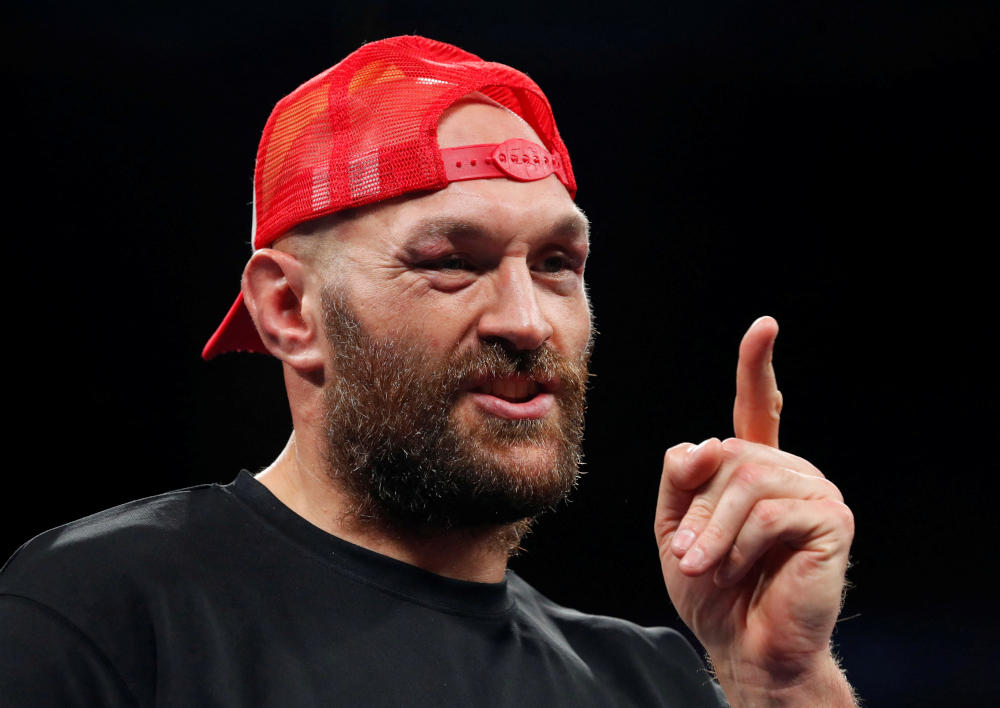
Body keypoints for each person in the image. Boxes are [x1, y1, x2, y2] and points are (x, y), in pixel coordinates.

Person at [0, 36, 857, 707]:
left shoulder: (652, 683)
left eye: (558, 261)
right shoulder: (100, 614)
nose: (527, 320)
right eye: (451, 260)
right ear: (290, 313)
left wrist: (784, 685)